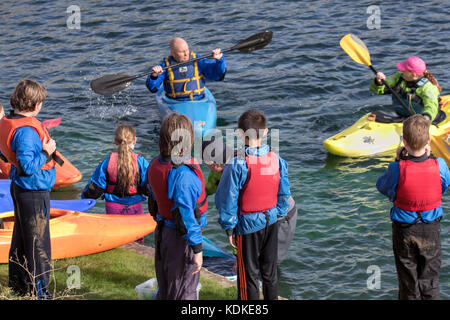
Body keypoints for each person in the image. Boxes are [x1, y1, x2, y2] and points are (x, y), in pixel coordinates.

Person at [215, 109, 291, 300]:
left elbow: (226, 199)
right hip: (271, 222)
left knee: (247, 276)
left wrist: (229, 227)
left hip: (247, 227)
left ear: (240, 134)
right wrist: (278, 213)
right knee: (270, 273)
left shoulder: (237, 164)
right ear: (265, 132)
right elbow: (284, 192)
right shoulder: (277, 160)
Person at [376, 114, 450, 300]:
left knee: (408, 281)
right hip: (431, 228)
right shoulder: (439, 165)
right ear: (428, 141)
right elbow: (443, 186)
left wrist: (397, 161)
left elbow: (383, 187)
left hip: (404, 231)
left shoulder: (397, 168)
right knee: (430, 280)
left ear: (404, 142)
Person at [0, 79, 57, 299]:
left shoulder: (9, 120)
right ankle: (40, 292)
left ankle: (19, 285)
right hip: (32, 191)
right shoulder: (25, 131)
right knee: (38, 245)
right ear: (35, 105)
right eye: (40, 102)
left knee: (22, 240)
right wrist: (46, 151)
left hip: (21, 189)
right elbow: (27, 167)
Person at [202, 137, 297, 265]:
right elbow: (205, 191)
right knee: (254, 263)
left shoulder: (239, 167)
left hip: (281, 214)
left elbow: (236, 216)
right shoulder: (218, 172)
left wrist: (239, 257)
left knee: (270, 263)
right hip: (259, 216)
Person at [147, 113, 208, 300]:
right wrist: (197, 249)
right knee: (184, 290)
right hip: (180, 239)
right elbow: (186, 216)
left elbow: (153, 200)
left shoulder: (155, 165)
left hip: (163, 232)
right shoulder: (183, 175)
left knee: (166, 289)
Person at [81, 125, 150, 216]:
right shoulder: (141, 162)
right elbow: (150, 187)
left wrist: (81, 201)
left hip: (113, 209)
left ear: (115, 141)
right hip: (135, 209)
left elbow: (95, 188)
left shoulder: (107, 162)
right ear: (134, 141)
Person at [146, 37, 226, 101]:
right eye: (181, 52)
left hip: (198, 100)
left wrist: (219, 60)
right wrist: (154, 75)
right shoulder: (165, 66)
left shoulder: (198, 61)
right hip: (175, 102)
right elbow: (153, 88)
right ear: (173, 53)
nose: (186, 54)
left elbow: (218, 76)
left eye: (187, 50)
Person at [370, 56, 442, 122]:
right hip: (402, 115)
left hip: (422, 119)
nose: (402, 71)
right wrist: (379, 82)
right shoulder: (399, 77)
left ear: (413, 75)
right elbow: (377, 90)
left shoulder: (428, 87)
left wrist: (425, 119)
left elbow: (431, 106)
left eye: (405, 70)